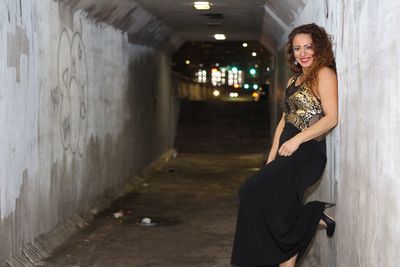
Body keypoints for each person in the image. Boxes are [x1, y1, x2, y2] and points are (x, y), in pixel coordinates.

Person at [231, 23, 338, 267]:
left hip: (308, 153)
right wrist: (271, 156)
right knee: (281, 207)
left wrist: (298, 140)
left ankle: (313, 216)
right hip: (285, 152)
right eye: (297, 48)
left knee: (251, 191)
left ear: (318, 47)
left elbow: (331, 117)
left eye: (308, 47)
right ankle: (287, 260)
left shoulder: (324, 74)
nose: (303, 53)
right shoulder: (293, 79)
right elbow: (284, 120)